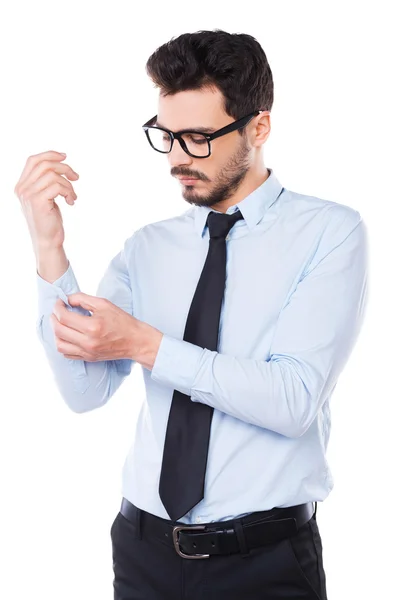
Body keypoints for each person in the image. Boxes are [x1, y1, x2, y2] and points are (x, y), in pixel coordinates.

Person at [15, 29, 368, 600]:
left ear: (258, 127)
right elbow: (84, 392)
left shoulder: (329, 233)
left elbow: (294, 399)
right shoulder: (147, 247)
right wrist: (50, 250)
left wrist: (147, 345)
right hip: (143, 552)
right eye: (168, 136)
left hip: (264, 562)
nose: (178, 158)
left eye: (199, 138)